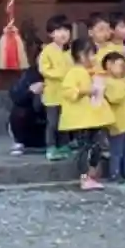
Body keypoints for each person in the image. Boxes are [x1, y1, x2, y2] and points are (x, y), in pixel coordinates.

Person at [61, 43, 114, 191]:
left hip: (92, 117)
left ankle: (91, 175)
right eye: (91, 54)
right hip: (81, 119)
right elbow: (68, 92)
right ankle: (84, 177)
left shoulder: (92, 72)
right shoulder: (74, 72)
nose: (94, 58)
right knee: (84, 148)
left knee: (95, 146)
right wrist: (85, 91)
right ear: (81, 55)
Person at [36, 15, 76, 162]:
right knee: (52, 122)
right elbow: (44, 69)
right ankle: (51, 147)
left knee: (64, 122)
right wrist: (61, 74)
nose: (63, 34)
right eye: (58, 30)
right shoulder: (47, 51)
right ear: (50, 34)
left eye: (66, 30)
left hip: (66, 94)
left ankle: (64, 145)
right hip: (52, 94)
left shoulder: (69, 52)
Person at [99, 50, 125, 183]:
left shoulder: (123, 81)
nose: (122, 69)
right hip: (117, 123)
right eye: (119, 65)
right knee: (117, 151)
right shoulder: (107, 82)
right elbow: (113, 98)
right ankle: (115, 173)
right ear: (109, 65)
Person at [8, 59, 47, 155]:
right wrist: (30, 91)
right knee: (20, 109)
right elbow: (16, 96)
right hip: (32, 126)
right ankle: (19, 142)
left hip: (54, 126)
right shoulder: (30, 75)